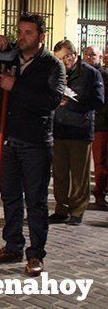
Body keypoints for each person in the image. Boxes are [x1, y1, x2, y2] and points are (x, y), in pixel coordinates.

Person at [0, 13, 65, 277]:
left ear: (41, 37)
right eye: (20, 32)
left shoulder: (53, 66)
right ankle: (13, 246)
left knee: (35, 200)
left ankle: (36, 255)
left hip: (35, 141)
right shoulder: (7, 56)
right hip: (5, 137)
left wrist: (16, 86)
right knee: (10, 196)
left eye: (28, 33)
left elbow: (52, 101)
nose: (22, 37)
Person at [49, 40, 104, 225]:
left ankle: (77, 211)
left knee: (79, 175)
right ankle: (61, 208)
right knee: (60, 172)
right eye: (59, 59)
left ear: (74, 54)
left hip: (80, 129)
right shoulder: (57, 72)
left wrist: (73, 103)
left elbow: (98, 101)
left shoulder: (91, 74)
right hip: (59, 128)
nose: (64, 62)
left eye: (66, 57)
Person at [85, 45, 108, 210]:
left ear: (100, 57)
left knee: (101, 163)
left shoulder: (104, 75)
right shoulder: (79, 73)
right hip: (83, 124)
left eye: (92, 54)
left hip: (101, 124)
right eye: (86, 53)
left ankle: (100, 193)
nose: (88, 57)